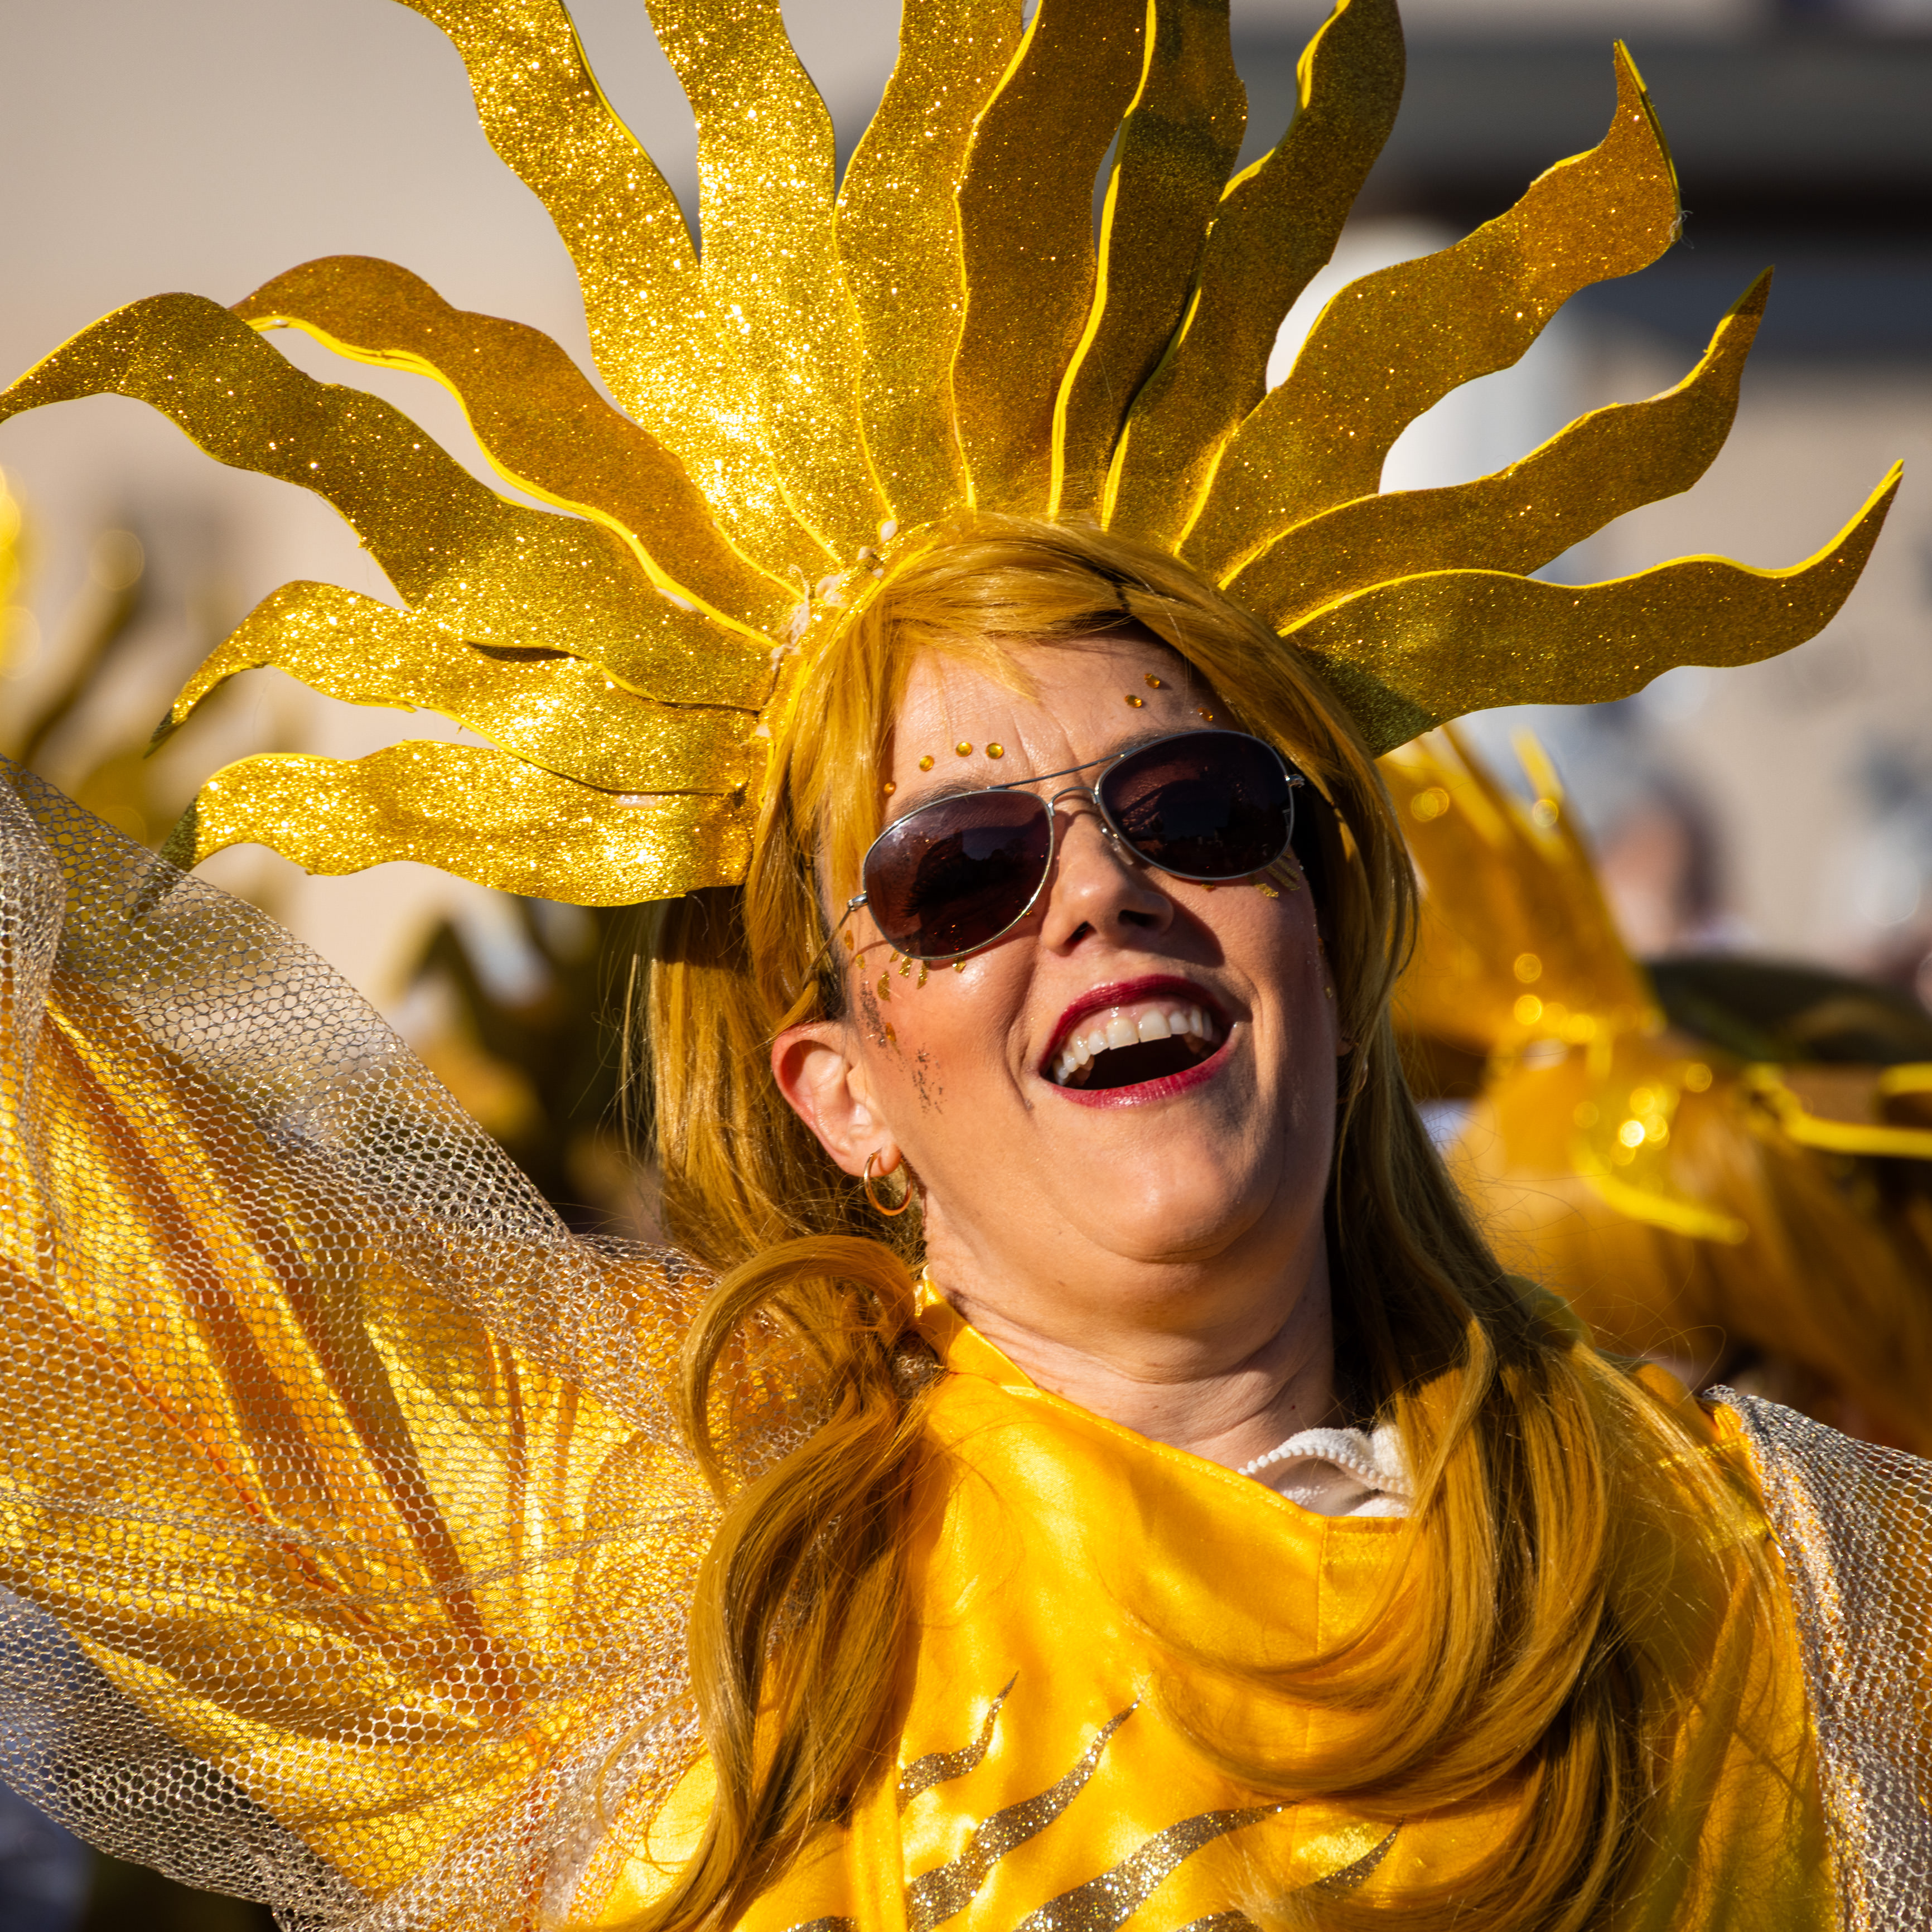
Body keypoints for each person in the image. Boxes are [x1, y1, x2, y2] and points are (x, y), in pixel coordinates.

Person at [0, 2, 1923, 1928]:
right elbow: (78, 1239)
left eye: (1193, 808)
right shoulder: (687, 1572)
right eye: (963, 871)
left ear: (1329, 939)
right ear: (842, 1091)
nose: (1103, 894)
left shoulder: (1784, 1588)